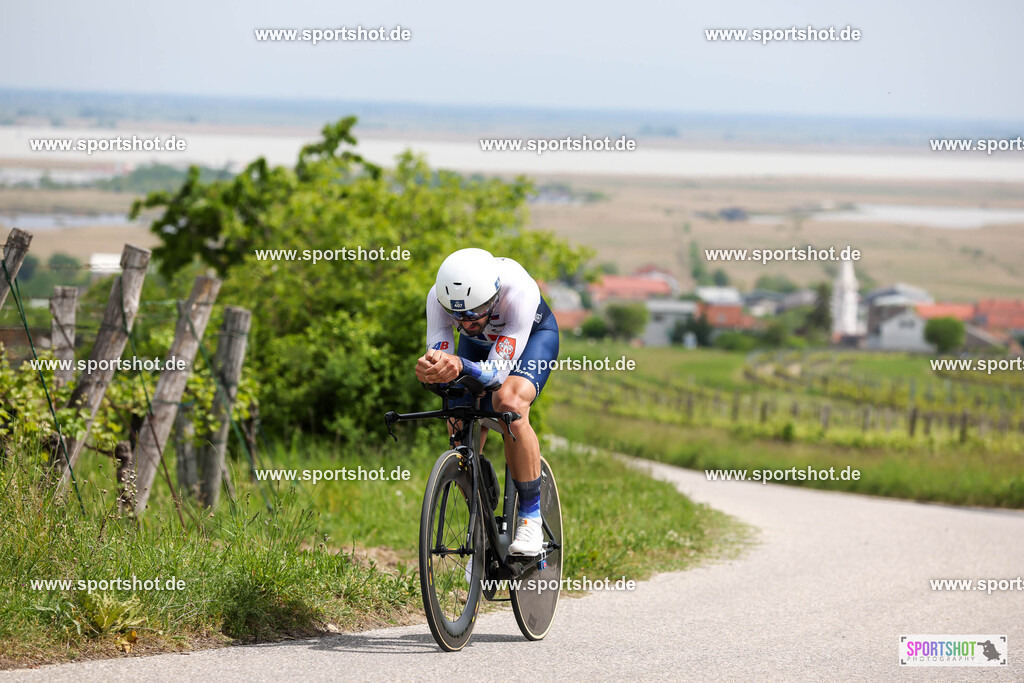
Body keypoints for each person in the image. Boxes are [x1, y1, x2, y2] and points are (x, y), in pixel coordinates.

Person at [416, 247, 559, 556]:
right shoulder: (438, 298)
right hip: (480, 347)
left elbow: (496, 375)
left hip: (531, 340)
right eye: (457, 315)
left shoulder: (519, 291)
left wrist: (459, 365)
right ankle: (480, 527)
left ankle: (531, 518)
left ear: (493, 298)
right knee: (455, 406)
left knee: (508, 403)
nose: (465, 322)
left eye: (474, 312)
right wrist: (432, 370)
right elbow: (440, 355)